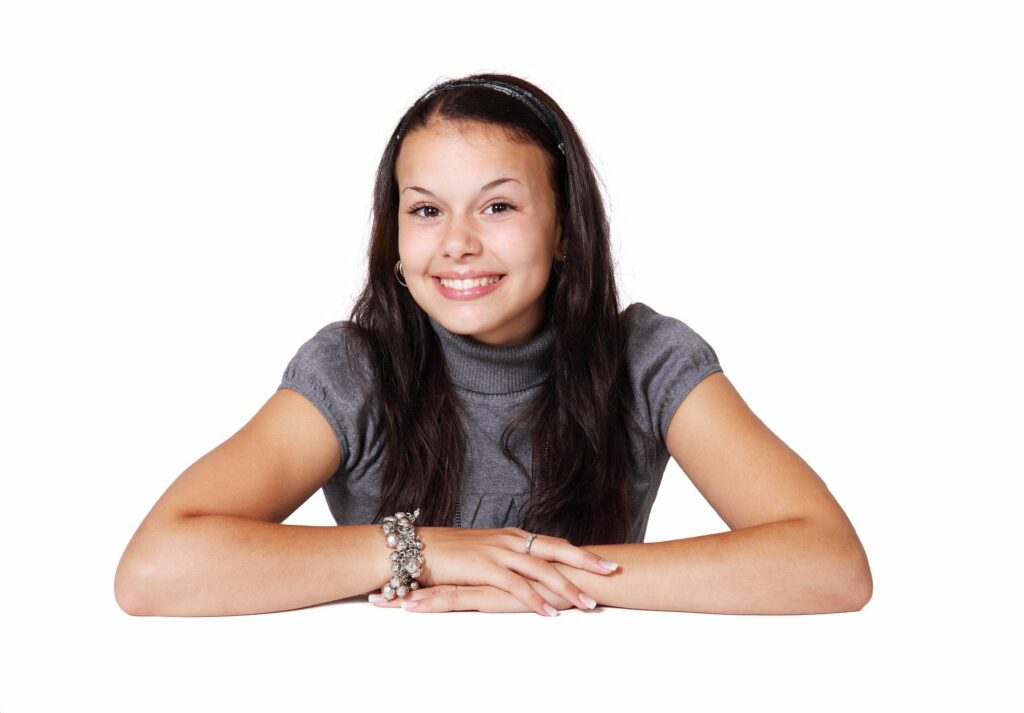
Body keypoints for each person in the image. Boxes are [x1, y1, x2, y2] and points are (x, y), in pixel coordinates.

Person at [114, 72, 872, 617]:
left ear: (567, 227)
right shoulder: (355, 369)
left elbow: (828, 564)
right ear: (395, 238)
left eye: (499, 204)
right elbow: (156, 570)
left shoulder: (647, 356)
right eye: (426, 210)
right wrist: (428, 549)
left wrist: (536, 573)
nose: (458, 244)